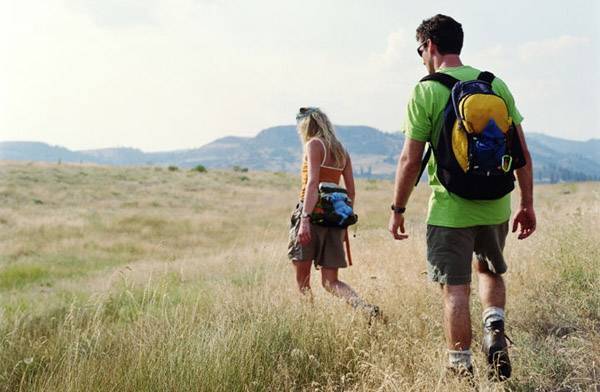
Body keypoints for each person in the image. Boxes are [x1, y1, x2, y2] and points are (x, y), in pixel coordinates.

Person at [388, 15, 536, 380]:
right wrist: (527, 204)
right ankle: (494, 328)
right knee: (489, 270)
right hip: (497, 202)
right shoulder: (494, 83)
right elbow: (521, 152)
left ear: (431, 47)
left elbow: (410, 159)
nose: (421, 57)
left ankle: (461, 369)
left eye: (420, 50)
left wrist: (398, 208)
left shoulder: (426, 90)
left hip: (450, 208)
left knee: (455, 289)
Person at [288, 107, 379, 318]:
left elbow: (312, 184)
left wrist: (304, 220)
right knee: (331, 281)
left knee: (302, 281)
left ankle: (308, 324)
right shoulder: (341, 150)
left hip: (311, 214)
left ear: (306, 126)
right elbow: (351, 191)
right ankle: (364, 309)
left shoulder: (313, 145)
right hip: (335, 219)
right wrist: (342, 221)